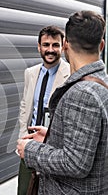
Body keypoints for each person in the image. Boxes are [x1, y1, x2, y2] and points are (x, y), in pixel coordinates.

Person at [17, 10, 108, 194]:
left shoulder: (83, 93)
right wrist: (51, 137)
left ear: (65, 45)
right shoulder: (100, 81)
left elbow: (76, 163)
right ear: (102, 45)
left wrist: (30, 150)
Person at [17, 26, 70, 195]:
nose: (50, 50)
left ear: (63, 47)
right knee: (25, 191)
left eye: (55, 45)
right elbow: (26, 108)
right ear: (39, 46)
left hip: (54, 149)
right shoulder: (30, 73)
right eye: (46, 44)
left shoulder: (71, 73)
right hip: (29, 144)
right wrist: (21, 138)